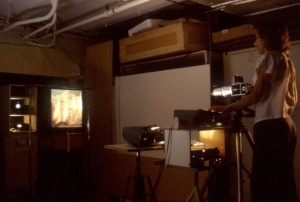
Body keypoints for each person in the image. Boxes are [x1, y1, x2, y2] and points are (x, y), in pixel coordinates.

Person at [209, 21, 298, 202]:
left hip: (270, 127)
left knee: (262, 182)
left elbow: (256, 96)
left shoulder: (267, 58)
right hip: (286, 125)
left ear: (267, 38)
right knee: (282, 180)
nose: (254, 42)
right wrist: (253, 91)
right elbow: (280, 94)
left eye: (257, 37)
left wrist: (227, 108)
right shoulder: (286, 60)